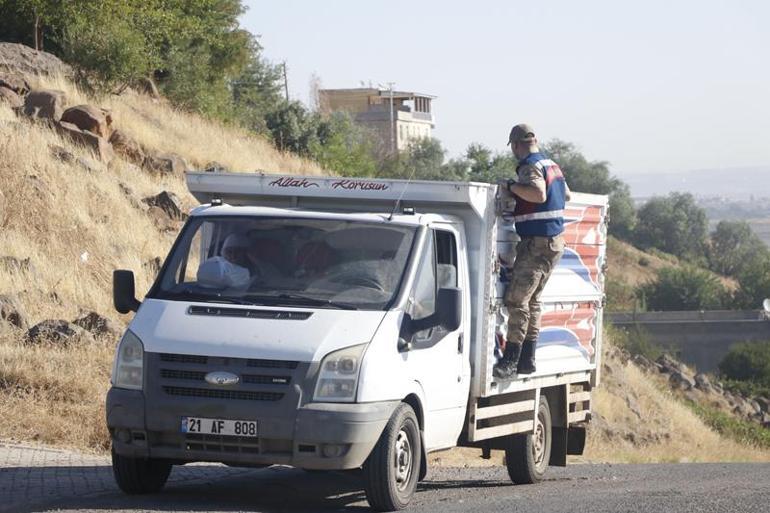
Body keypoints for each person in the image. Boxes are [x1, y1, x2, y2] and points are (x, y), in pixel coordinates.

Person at [494, 123, 571, 379]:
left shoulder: (530, 166)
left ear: (516, 145)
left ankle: (511, 360)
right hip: (554, 243)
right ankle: (528, 359)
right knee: (534, 301)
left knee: (517, 301)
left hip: (536, 244)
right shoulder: (552, 165)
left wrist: (511, 186)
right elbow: (566, 195)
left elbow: (537, 194)